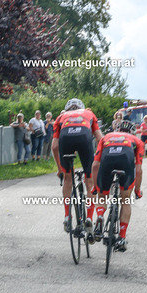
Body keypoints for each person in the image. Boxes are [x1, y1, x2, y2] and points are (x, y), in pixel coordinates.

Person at [51, 98, 102, 240]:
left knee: (68, 179)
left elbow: (54, 146)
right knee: (90, 181)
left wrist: (60, 169)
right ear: (82, 108)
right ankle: (89, 217)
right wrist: (100, 161)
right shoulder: (89, 113)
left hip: (65, 139)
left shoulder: (61, 117)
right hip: (84, 138)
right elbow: (100, 139)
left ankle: (67, 216)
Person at [91, 120, 144, 252]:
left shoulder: (106, 137)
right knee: (125, 200)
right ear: (132, 132)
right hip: (126, 159)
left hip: (107, 159)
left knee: (102, 196)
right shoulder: (137, 141)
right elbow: (138, 170)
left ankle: (100, 216)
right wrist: (137, 190)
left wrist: (95, 186)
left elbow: (95, 165)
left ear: (117, 130)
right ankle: (121, 237)